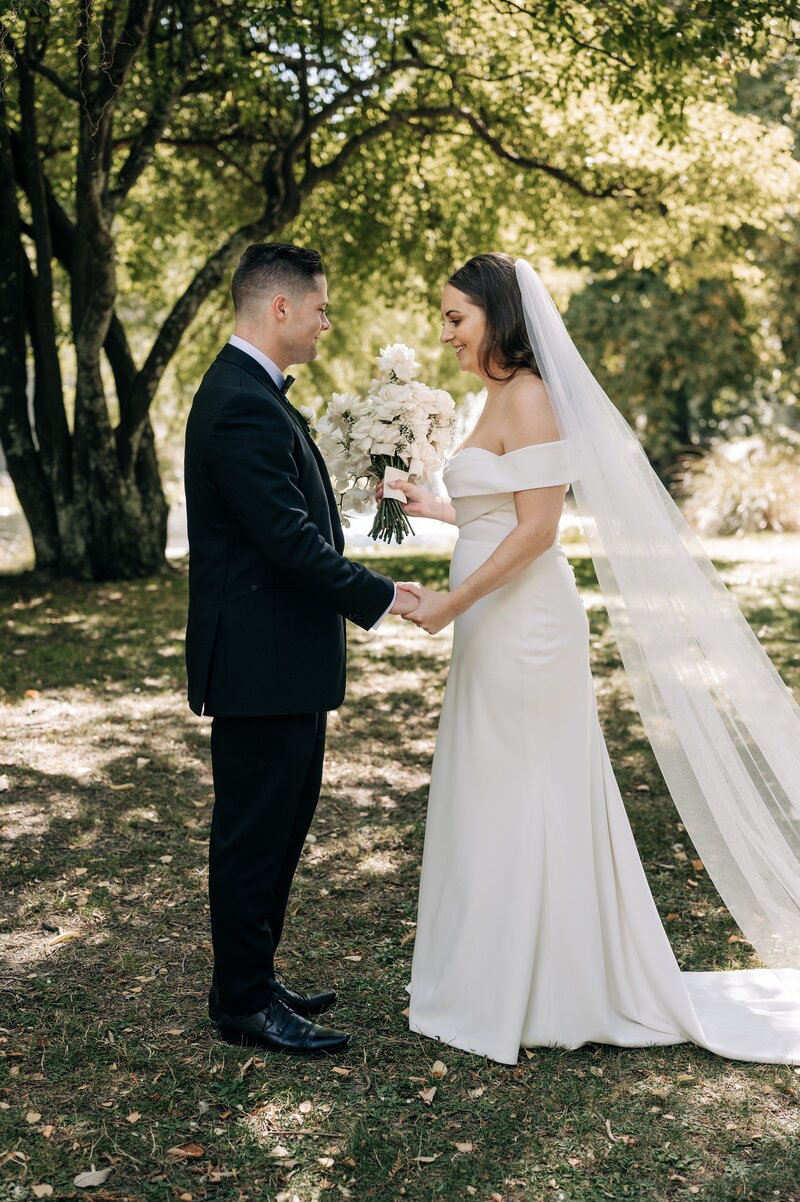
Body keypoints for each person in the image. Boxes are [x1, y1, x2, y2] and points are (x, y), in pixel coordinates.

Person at [390, 252, 800, 1066]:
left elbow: (539, 531)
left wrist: (448, 605)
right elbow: (494, 513)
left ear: (498, 318)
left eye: (456, 318)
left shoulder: (533, 395)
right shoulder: (496, 397)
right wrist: (430, 505)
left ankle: (549, 984)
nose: (444, 334)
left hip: (523, 628)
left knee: (529, 789)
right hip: (488, 625)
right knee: (493, 786)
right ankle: (506, 973)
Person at [184, 242, 417, 1056]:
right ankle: (242, 1003)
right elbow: (285, 541)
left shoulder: (254, 392)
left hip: (281, 663)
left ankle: (252, 977)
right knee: (254, 834)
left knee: (278, 829)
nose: (327, 320)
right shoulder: (242, 401)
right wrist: (383, 597)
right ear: (279, 308)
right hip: (260, 664)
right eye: (320, 306)